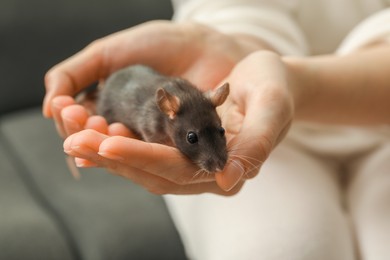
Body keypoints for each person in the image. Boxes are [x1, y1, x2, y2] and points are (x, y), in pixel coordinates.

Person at [43, 1, 390, 259]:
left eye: (217, 136)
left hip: (377, 109)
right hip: (258, 113)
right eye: (194, 140)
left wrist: (295, 82)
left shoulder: (195, 110)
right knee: (283, 248)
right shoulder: (163, 114)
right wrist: (237, 46)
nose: (217, 158)